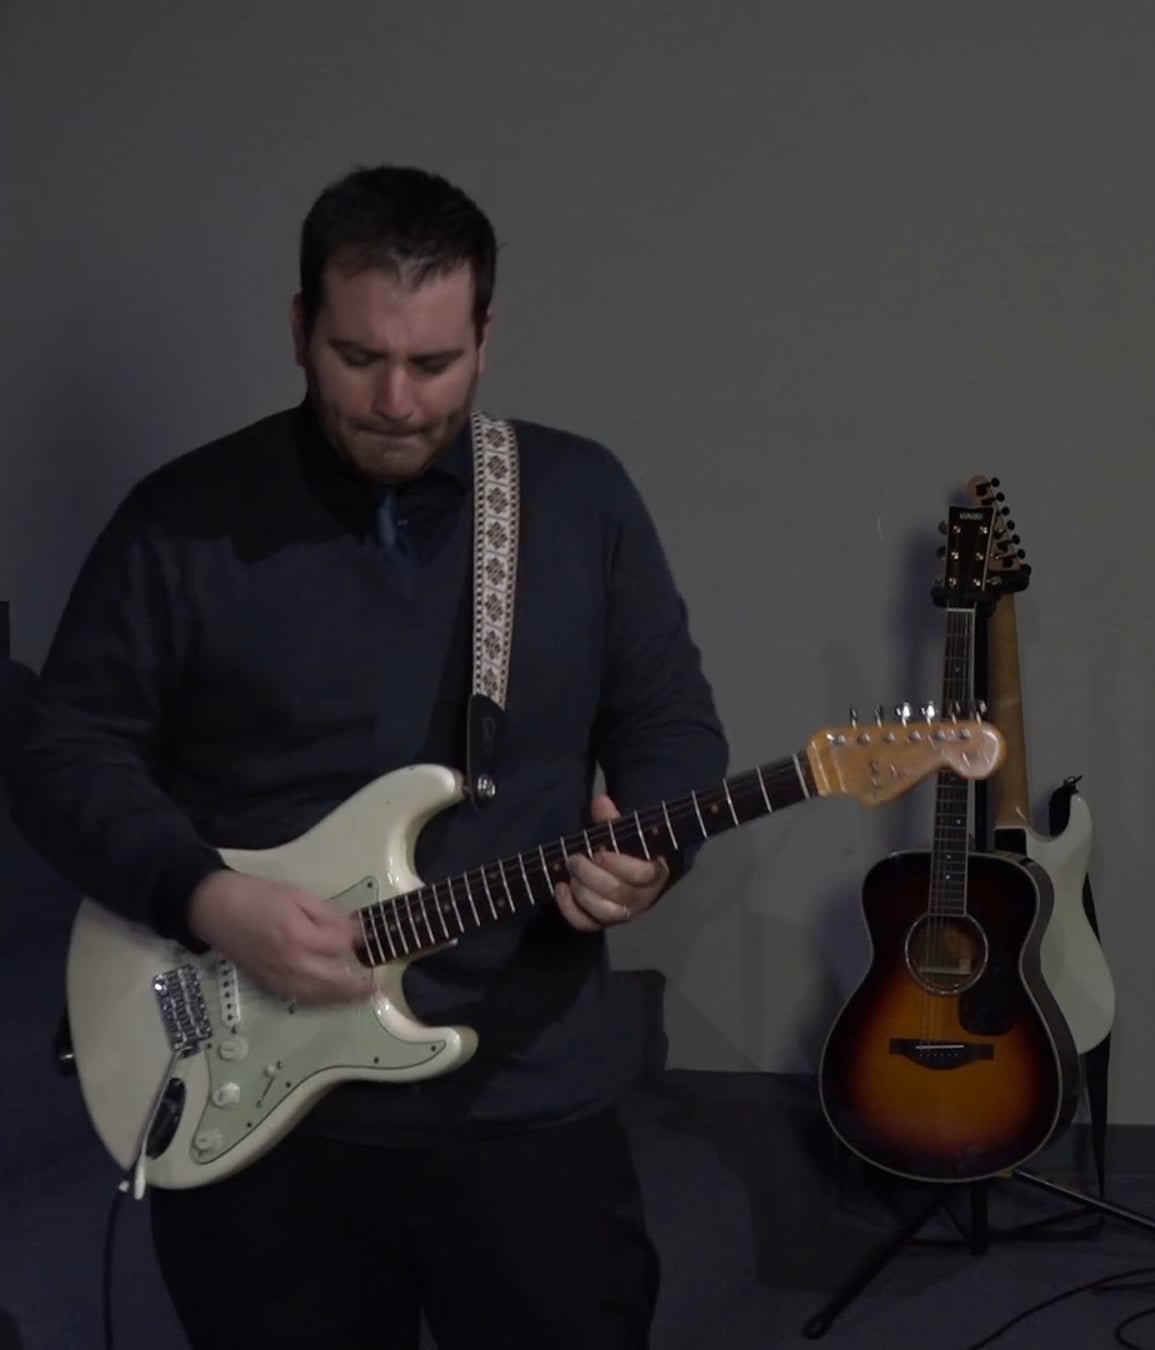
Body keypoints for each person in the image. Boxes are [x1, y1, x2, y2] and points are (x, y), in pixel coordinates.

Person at [9, 165, 728, 1349]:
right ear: (300, 327)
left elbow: (672, 727)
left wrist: (650, 846)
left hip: (522, 1091)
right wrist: (206, 896)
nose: (396, 400)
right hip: (257, 1100)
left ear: (486, 338)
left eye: (434, 363)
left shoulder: (577, 499)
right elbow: (64, 753)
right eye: (358, 357)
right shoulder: (180, 519)